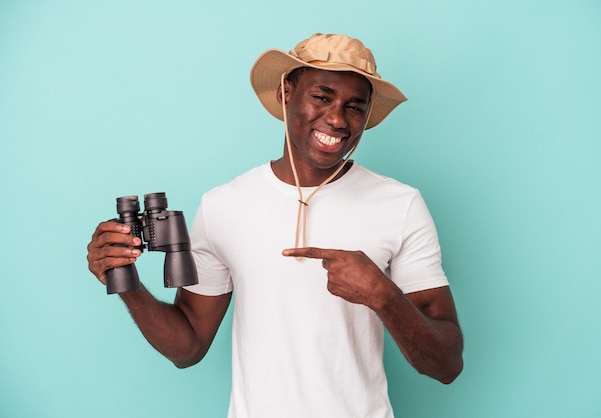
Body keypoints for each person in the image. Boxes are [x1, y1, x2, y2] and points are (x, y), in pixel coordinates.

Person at [87, 33, 463, 417]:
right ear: (286, 93)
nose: (336, 118)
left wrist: (383, 295)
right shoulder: (224, 206)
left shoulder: (400, 204)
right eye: (322, 97)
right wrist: (127, 284)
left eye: (354, 107)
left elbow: (447, 364)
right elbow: (188, 348)